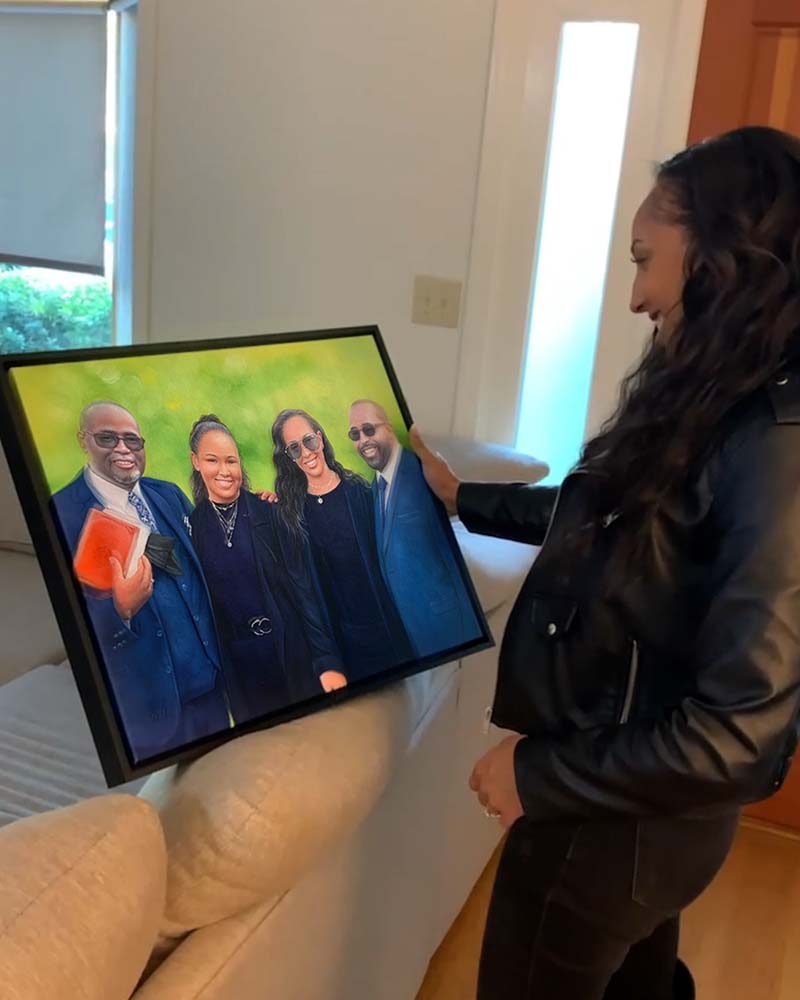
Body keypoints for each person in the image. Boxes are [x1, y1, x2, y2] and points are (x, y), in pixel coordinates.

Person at [411, 126, 800, 1000]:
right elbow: (624, 523)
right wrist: (462, 496)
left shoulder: (774, 444)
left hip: (617, 822)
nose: (637, 295)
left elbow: (743, 732)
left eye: (644, 258)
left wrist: (536, 773)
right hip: (635, 809)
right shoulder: (723, 398)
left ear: (725, 262)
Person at [52, 401, 230, 762]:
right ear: (83, 440)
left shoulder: (167, 494)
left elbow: (209, 560)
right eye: (107, 438)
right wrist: (120, 609)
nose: (122, 449)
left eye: (132, 441)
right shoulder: (61, 514)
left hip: (212, 692)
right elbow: (62, 626)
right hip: (151, 711)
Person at [188, 414, 345, 716]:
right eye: (212, 460)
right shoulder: (192, 529)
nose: (224, 471)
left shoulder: (269, 513)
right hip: (244, 675)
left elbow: (305, 591)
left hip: (291, 655)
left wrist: (326, 661)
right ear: (196, 462)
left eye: (231, 461)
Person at [270, 408, 413, 685]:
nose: (307, 453)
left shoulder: (360, 493)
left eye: (309, 441)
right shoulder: (290, 516)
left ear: (321, 439)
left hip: (394, 632)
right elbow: (306, 596)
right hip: (349, 649)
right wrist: (327, 661)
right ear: (288, 457)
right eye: (295, 449)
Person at [347, 399, 482, 658]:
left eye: (369, 429)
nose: (363, 440)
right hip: (414, 632)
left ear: (388, 428)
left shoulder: (419, 471)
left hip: (450, 626)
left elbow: (450, 555)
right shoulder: (375, 488)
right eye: (355, 434)